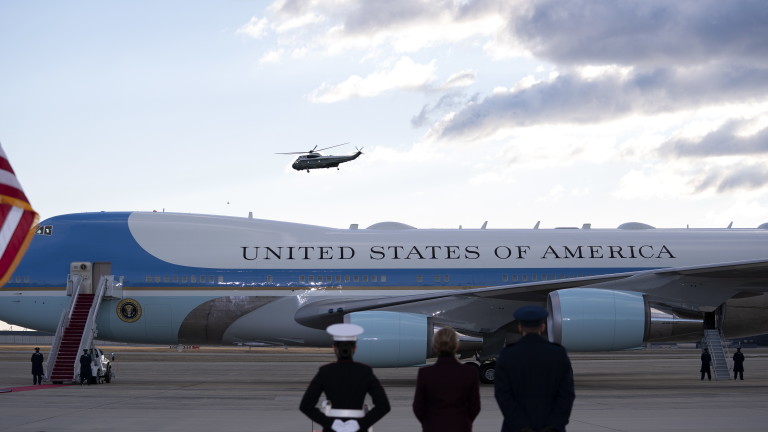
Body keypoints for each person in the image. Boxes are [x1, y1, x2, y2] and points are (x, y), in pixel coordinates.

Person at [495, 306, 575, 432]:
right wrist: (553, 425)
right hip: (551, 426)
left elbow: (503, 395)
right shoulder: (558, 353)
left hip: (516, 428)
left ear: (520, 327)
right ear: (542, 327)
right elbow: (567, 394)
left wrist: (521, 425)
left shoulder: (508, 354)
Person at [300, 323, 390, 432]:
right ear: (355, 348)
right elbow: (383, 406)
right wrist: (360, 424)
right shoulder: (365, 371)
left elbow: (306, 406)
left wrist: (331, 423)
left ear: (334, 348)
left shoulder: (325, 371)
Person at [413, 327, 481, 432]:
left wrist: (428, 423)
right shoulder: (470, 372)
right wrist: (465, 421)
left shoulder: (425, 373)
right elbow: (475, 406)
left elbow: (418, 407)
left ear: (435, 346)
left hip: (433, 426)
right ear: (457, 345)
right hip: (460, 426)